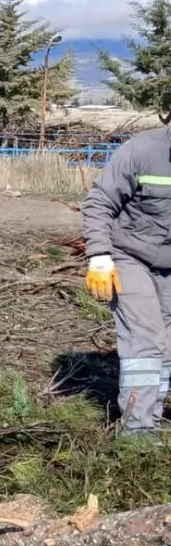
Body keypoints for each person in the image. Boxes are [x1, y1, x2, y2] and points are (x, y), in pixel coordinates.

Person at [83, 126, 171, 431]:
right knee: (146, 338)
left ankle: (152, 416)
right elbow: (99, 202)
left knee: (167, 344)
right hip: (127, 254)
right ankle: (138, 431)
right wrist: (99, 255)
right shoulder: (141, 150)